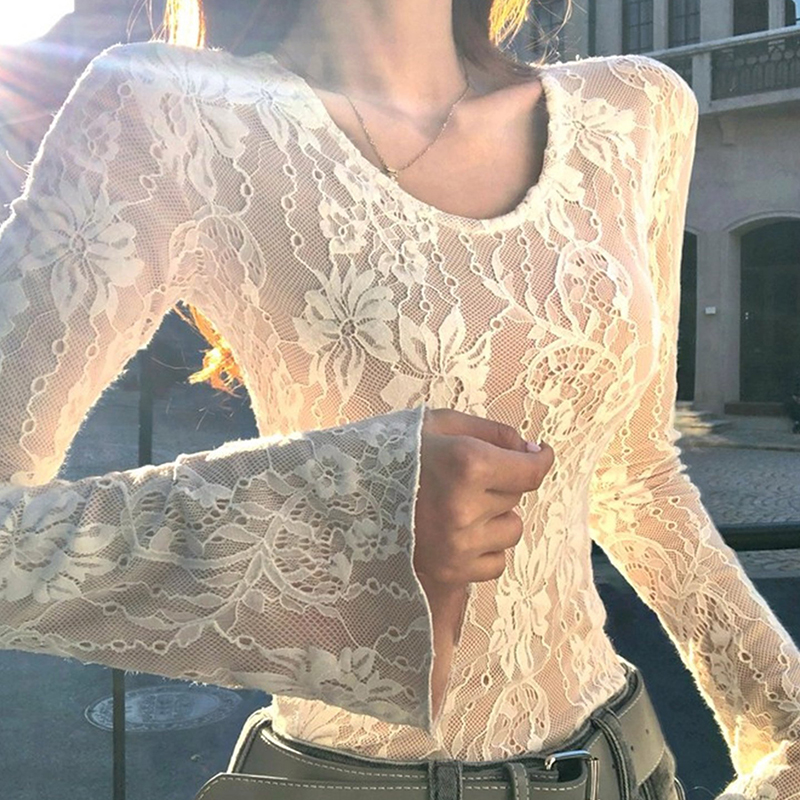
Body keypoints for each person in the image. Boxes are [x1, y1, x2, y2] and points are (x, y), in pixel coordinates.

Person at [1, 1, 799, 799]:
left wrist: (788, 720)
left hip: (626, 765)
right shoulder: (165, 112)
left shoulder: (635, 108)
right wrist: (349, 512)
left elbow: (637, 477)